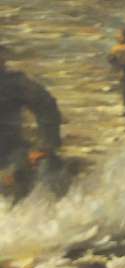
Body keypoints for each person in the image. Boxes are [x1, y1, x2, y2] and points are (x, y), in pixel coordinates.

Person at [0, 43, 62, 204]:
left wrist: (45, 146)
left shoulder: (12, 83)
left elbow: (46, 105)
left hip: (10, 153)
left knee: (40, 171)